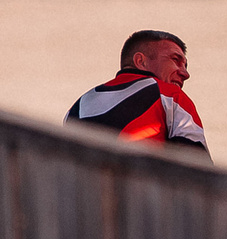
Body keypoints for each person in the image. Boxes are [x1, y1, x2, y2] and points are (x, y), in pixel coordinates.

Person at [66, 30, 208, 156]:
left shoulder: (78, 105)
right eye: (175, 60)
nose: (185, 73)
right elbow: (196, 163)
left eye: (185, 66)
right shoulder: (169, 95)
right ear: (141, 61)